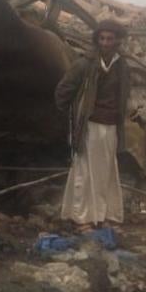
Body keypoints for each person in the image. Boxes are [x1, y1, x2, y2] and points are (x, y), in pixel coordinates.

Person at [54, 19, 131, 229]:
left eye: (110, 39)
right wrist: (75, 114)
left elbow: (124, 94)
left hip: (111, 125)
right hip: (90, 125)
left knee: (106, 171)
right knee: (85, 170)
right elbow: (63, 91)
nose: (105, 43)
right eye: (102, 38)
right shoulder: (85, 64)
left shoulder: (121, 65)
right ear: (97, 40)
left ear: (117, 41)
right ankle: (82, 218)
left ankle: (103, 214)